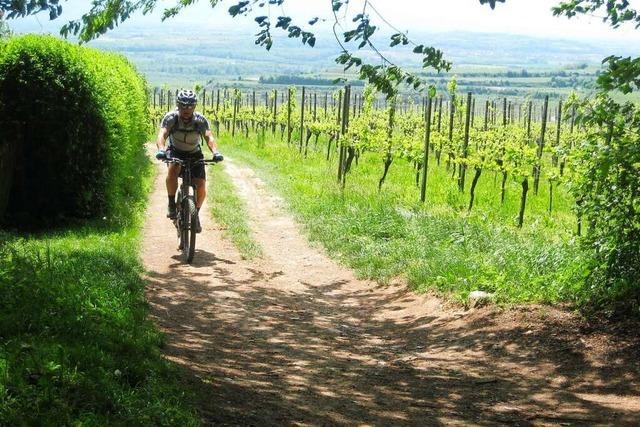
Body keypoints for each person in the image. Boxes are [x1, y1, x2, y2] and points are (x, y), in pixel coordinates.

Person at [155, 89, 223, 233]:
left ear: (194, 106)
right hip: (176, 151)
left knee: (201, 185)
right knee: (173, 169)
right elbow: (162, 134)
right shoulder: (171, 118)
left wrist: (215, 152)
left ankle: (195, 214)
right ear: (178, 105)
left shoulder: (199, 120)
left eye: (190, 106)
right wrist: (161, 149)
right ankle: (171, 204)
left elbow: (208, 137)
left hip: (194, 153)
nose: (186, 109)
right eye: (183, 106)